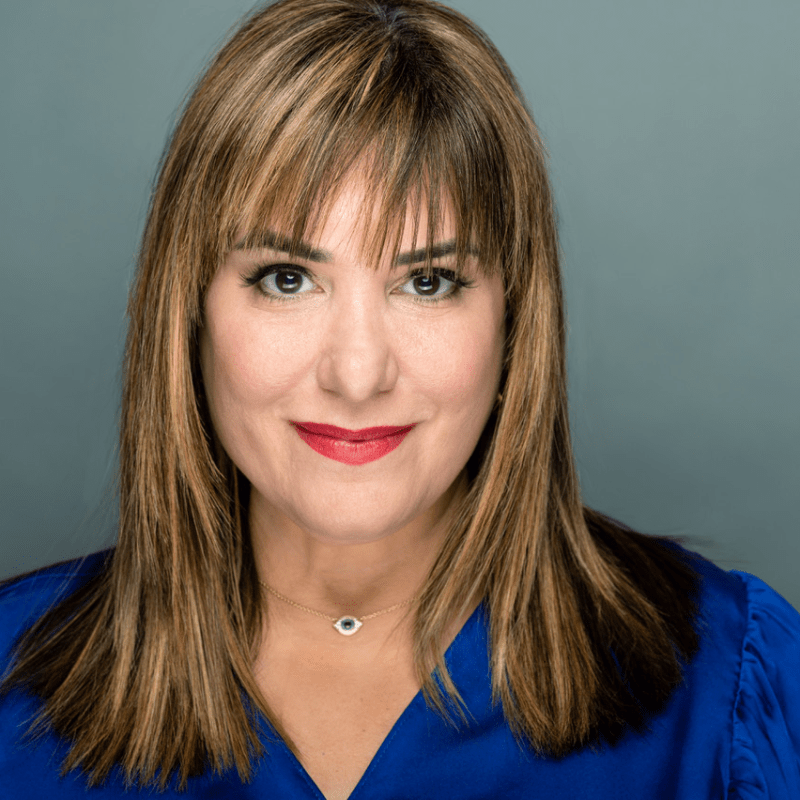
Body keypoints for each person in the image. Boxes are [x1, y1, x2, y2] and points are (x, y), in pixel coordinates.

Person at [1, 0, 798, 797]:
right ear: (191, 313)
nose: (357, 374)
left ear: (515, 319)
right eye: (286, 279)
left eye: (427, 282)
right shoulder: (12, 688)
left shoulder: (726, 688)